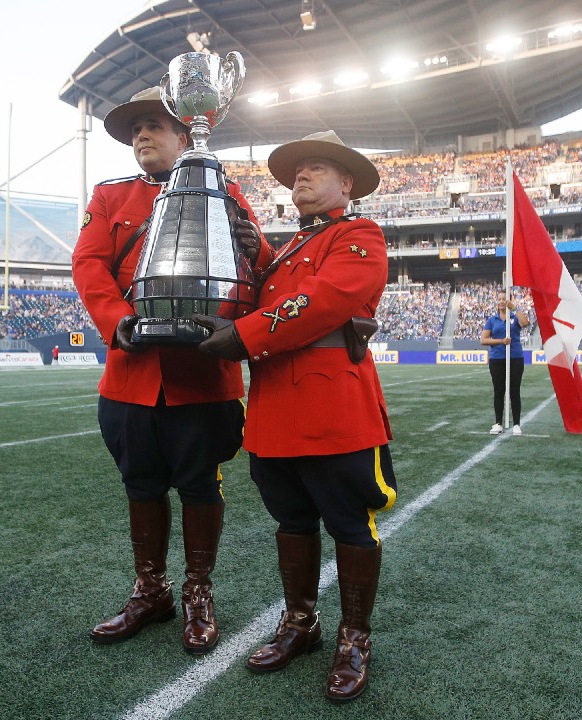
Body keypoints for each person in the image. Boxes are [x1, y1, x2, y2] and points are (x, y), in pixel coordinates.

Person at [194, 130, 394, 703]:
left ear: (345, 183)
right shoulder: (285, 249)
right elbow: (269, 290)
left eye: (315, 169)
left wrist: (244, 335)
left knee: (350, 524)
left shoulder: (359, 234)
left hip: (335, 410)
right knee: (292, 522)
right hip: (276, 410)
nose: (300, 179)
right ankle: (301, 624)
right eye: (296, 172)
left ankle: (354, 637)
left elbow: (327, 299)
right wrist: (248, 246)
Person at [71, 87, 269, 655]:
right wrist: (117, 321)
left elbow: (257, 269)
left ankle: (198, 593)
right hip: (130, 375)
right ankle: (150, 590)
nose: (142, 136)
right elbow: (88, 266)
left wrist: (256, 253)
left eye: (154, 126)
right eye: (136, 130)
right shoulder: (111, 196)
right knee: (141, 485)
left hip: (202, 379)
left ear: (188, 134)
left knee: (201, 486)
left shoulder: (224, 190)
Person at [481, 290, 530, 436]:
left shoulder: (514, 317)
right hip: (497, 359)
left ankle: (516, 424)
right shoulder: (492, 320)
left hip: (515, 358)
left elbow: (526, 323)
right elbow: (483, 340)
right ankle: (498, 423)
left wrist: (514, 308)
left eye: (504, 299)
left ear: (508, 301)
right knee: (499, 391)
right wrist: (501, 341)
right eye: (500, 299)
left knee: (514, 391)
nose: (502, 301)